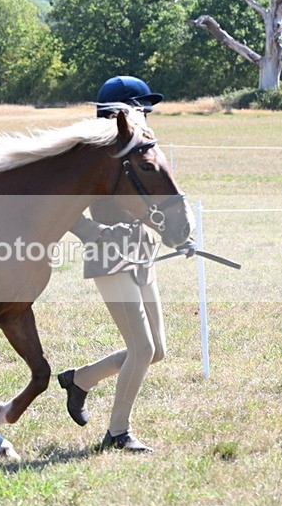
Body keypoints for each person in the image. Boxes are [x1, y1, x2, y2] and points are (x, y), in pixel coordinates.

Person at [57, 76, 194, 453]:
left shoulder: (137, 147)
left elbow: (151, 203)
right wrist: (88, 229)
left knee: (157, 350)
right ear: (120, 112)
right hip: (109, 255)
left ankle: (79, 380)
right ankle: (118, 432)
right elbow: (58, 201)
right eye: (140, 107)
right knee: (142, 349)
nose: (147, 113)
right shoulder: (94, 152)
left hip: (141, 251)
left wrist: (177, 235)